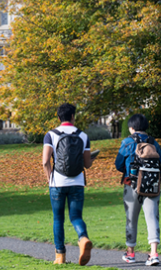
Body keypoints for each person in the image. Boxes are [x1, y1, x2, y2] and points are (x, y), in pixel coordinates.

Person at [42, 103, 94, 265]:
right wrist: (92, 158)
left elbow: (45, 161)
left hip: (57, 182)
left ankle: (60, 256)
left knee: (58, 218)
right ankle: (83, 238)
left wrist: (49, 179)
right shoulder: (83, 136)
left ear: (59, 117)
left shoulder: (51, 134)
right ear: (73, 116)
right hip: (77, 182)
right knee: (76, 216)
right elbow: (87, 164)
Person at [114, 114, 161, 266]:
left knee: (131, 219)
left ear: (131, 128)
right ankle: (154, 254)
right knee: (152, 217)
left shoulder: (127, 142)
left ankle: (130, 254)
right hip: (152, 186)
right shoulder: (153, 142)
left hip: (132, 185)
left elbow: (118, 164)